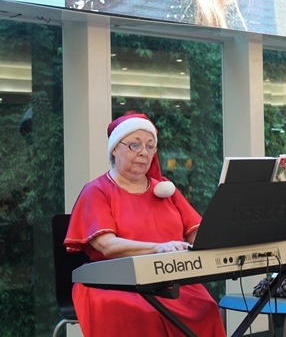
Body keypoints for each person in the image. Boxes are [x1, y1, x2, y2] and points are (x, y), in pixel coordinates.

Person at [64, 113, 226, 337]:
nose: (143, 152)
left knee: (206, 307)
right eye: (134, 145)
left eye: (150, 146)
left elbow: (196, 232)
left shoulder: (165, 188)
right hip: (117, 285)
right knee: (146, 314)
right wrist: (157, 248)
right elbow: (107, 246)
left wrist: (229, 235)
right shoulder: (97, 190)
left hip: (173, 280)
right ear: (114, 149)